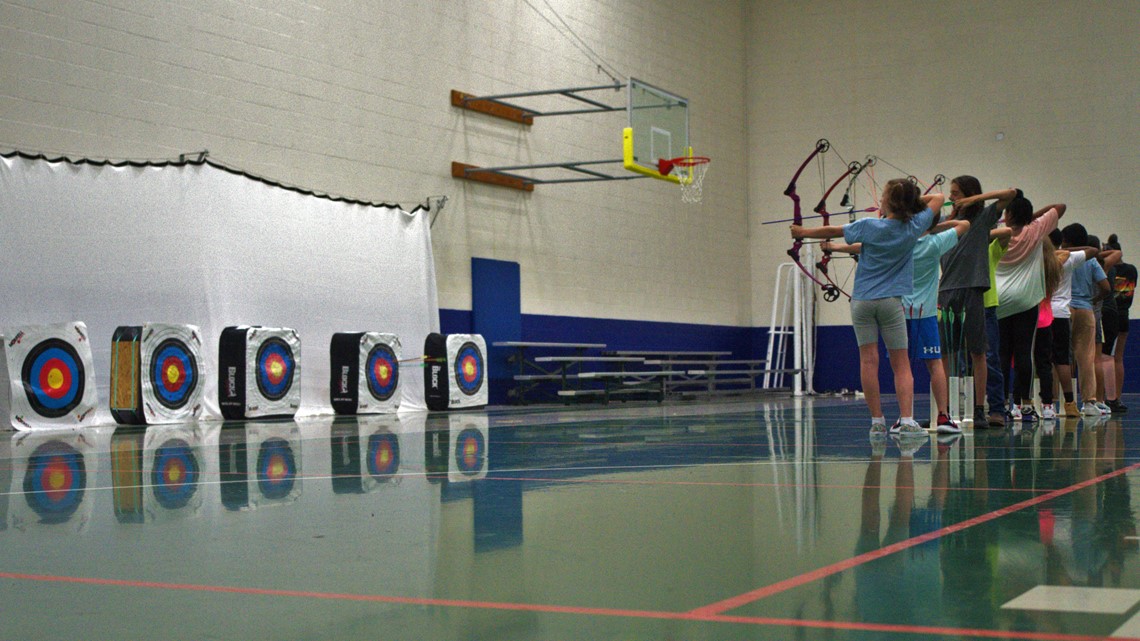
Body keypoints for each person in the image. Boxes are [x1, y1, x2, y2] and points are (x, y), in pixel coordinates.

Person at [792, 178, 942, 437]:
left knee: (868, 361)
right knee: (901, 364)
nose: (880, 200)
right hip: (891, 303)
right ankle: (906, 420)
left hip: (862, 302)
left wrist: (802, 233)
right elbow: (938, 198)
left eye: (884, 196)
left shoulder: (868, 225)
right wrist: (910, 204)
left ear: (890, 202)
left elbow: (834, 231)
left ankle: (877, 422)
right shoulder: (914, 226)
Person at [825, 216, 970, 433]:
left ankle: (899, 419)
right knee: (935, 364)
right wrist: (935, 226)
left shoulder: (902, 242)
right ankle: (942, 416)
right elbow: (964, 224)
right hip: (925, 313)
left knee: (900, 366)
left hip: (899, 311)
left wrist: (834, 246)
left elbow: (864, 246)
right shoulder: (934, 243)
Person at [938, 178, 1017, 427]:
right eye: (951, 194)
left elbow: (1010, 193)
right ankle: (944, 409)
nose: (952, 198)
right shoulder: (946, 223)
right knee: (946, 353)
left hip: (972, 290)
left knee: (978, 352)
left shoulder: (982, 218)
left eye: (957, 193)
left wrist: (974, 200)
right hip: (946, 291)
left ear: (970, 195)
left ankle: (980, 408)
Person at [992, 194, 1064, 422]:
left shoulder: (998, 236)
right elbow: (1059, 206)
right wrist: (1031, 217)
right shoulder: (1036, 230)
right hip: (1026, 301)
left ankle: (1001, 402)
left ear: (1008, 215)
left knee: (1003, 352)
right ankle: (1023, 403)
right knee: (1024, 353)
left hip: (1001, 300)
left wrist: (1018, 218)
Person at [1063, 224, 1112, 415]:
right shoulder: (1091, 262)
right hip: (1085, 309)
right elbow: (1106, 287)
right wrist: (1093, 300)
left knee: (1059, 358)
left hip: (1064, 309)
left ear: (1066, 241)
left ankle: (1050, 401)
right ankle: (1090, 402)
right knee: (1086, 358)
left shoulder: (1063, 256)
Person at [1048, 228, 1096, 417]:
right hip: (1070, 310)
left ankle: (1047, 402)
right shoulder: (1070, 258)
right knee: (1081, 357)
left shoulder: (1039, 258)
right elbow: (1105, 284)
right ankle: (1083, 401)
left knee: (1045, 360)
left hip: (1044, 312)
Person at [1032, 236, 1065, 419]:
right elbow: (1066, 254)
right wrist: (1050, 253)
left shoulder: (1030, 266)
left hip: (1029, 318)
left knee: (1025, 362)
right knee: (1044, 363)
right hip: (1046, 319)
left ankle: (1020, 403)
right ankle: (1047, 404)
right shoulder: (1053, 265)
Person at [1106, 234, 1135, 412]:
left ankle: (1112, 397)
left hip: (1112, 316)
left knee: (1108, 358)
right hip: (1125, 315)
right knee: (1119, 358)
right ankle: (1116, 395)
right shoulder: (1131, 270)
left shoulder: (1109, 270)